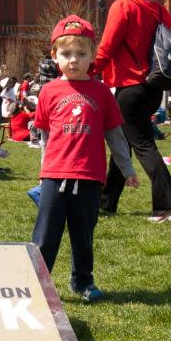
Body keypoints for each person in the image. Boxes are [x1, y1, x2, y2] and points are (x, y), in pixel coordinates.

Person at [31, 16, 138, 303]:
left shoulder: (102, 93)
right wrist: (44, 172)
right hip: (55, 176)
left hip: (90, 178)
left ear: (93, 55)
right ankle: (37, 281)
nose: (74, 60)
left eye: (81, 53)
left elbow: (116, 136)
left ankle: (82, 281)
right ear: (54, 56)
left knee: (83, 236)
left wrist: (127, 169)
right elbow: (44, 137)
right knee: (46, 235)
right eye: (66, 54)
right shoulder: (49, 92)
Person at [92, 0, 171, 223]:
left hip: (130, 88)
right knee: (124, 143)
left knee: (142, 144)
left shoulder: (123, 7)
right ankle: (107, 202)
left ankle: (168, 205)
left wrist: (84, 75)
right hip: (154, 87)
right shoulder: (158, 11)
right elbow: (170, 52)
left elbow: (106, 48)